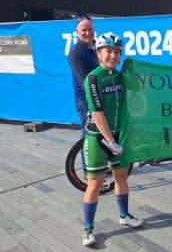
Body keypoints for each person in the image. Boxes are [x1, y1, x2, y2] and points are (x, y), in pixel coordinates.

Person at [82, 32, 142, 246]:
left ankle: (124, 216)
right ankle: (88, 229)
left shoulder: (120, 76)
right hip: (98, 138)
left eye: (117, 52)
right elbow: (97, 114)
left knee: (121, 178)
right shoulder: (93, 78)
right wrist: (111, 141)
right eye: (108, 51)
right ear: (98, 53)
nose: (113, 56)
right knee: (95, 183)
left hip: (119, 136)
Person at [68, 15, 98, 179]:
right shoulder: (75, 52)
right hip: (86, 99)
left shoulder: (98, 46)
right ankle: (87, 170)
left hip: (99, 96)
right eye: (84, 30)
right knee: (87, 133)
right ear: (77, 32)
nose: (87, 33)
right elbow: (84, 81)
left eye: (90, 29)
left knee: (100, 133)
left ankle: (99, 164)